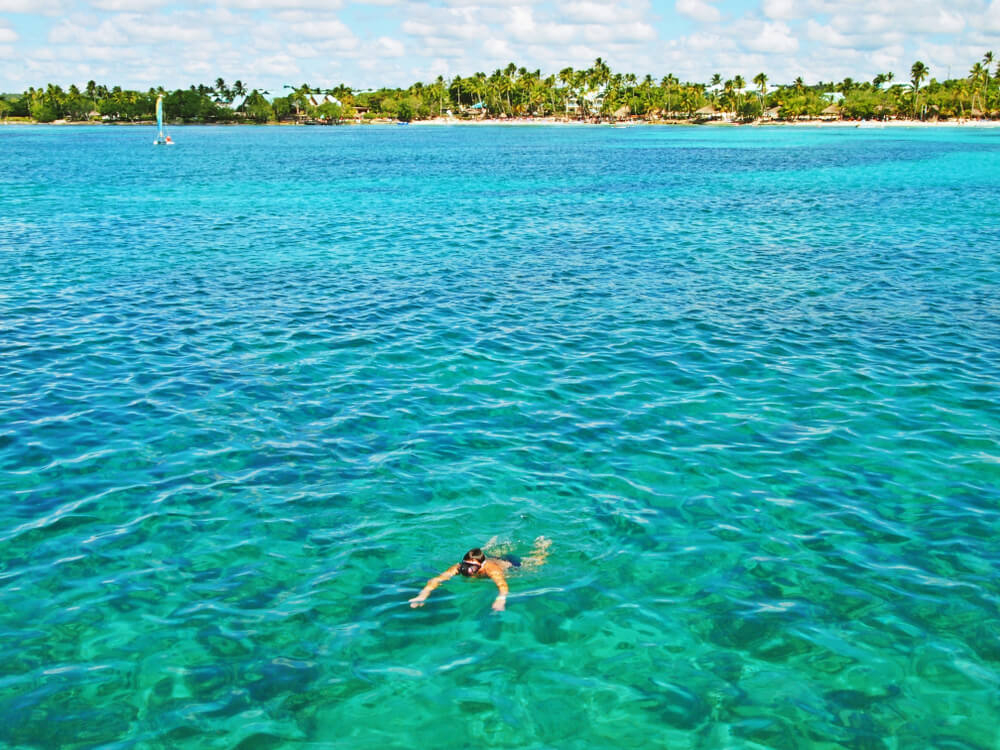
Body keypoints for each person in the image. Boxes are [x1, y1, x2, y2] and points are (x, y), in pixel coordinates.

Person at [409, 536, 551, 612]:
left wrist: (501, 599)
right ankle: (490, 546)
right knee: (487, 553)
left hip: (510, 564)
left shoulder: (491, 570)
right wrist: (423, 594)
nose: (467, 570)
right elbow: (437, 579)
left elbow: (502, 585)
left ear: (481, 566)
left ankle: (542, 547)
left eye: (472, 567)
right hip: (490, 559)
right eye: (465, 565)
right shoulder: (459, 567)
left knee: (535, 565)